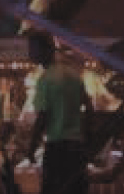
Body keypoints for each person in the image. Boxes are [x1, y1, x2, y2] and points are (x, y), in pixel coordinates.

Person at [23, 33, 91, 194]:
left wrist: (31, 147)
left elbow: (43, 117)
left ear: (47, 50)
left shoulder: (45, 80)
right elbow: (89, 107)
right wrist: (87, 134)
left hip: (57, 149)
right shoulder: (74, 75)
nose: (30, 52)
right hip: (77, 148)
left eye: (33, 48)